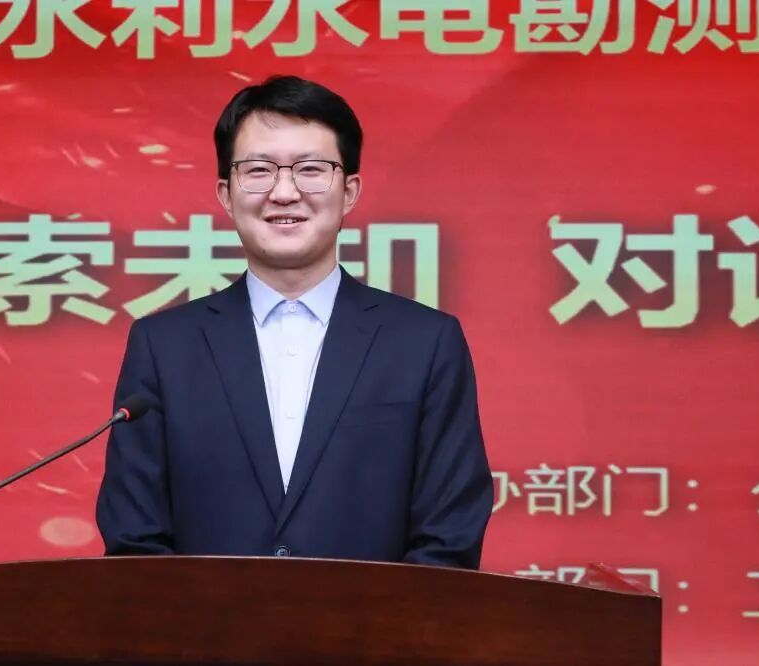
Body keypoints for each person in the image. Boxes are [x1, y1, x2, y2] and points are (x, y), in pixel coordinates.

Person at [97, 75, 492, 568]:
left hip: (380, 620)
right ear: (226, 193)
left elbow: (449, 538)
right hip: (202, 622)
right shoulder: (163, 347)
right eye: (258, 170)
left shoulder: (425, 343)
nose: (284, 193)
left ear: (349, 191)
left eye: (310, 170)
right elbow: (135, 542)